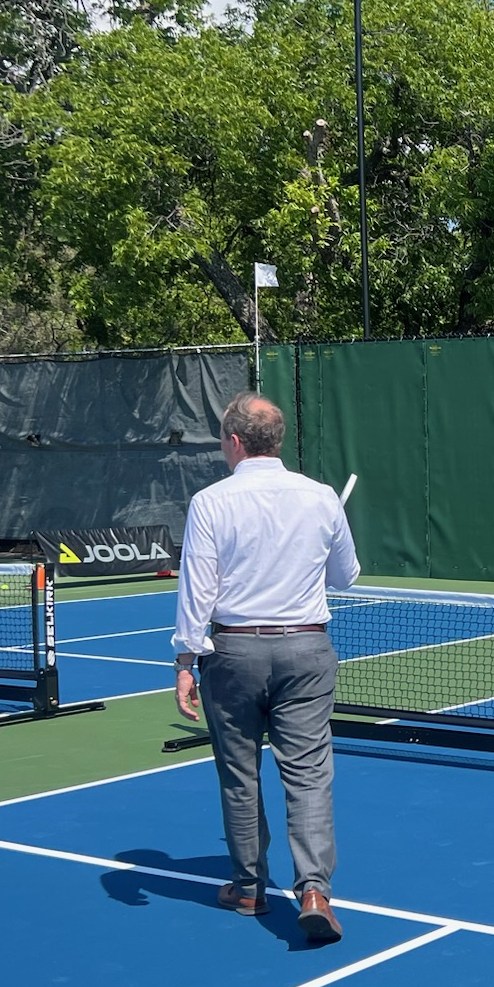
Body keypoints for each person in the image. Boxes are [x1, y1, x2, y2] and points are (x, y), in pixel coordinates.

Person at [172, 392, 361, 943]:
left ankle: (249, 887)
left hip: (233, 655)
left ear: (234, 442)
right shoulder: (321, 497)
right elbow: (346, 575)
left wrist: (187, 658)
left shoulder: (210, 502)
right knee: (308, 775)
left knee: (240, 772)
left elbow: (197, 590)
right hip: (306, 650)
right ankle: (314, 891)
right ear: (276, 440)